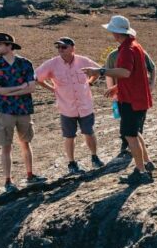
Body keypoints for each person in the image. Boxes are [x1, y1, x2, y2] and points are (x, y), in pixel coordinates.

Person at [83, 15, 153, 185]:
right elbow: (135, 75)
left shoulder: (126, 50)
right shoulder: (136, 46)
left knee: (130, 136)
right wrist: (116, 87)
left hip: (131, 100)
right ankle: (147, 163)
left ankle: (140, 171)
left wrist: (99, 71)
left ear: (116, 32)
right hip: (138, 97)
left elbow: (125, 72)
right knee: (135, 132)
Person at [0, 33, 47, 192]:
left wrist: (5, 91)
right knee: (6, 146)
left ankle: (30, 175)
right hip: (4, 110)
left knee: (25, 142)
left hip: (23, 109)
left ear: (9, 46)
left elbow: (32, 87)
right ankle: (8, 181)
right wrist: (20, 87)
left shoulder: (25, 63)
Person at [35, 37, 105, 175]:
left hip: (85, 105)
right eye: (58, 47)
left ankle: (94, 157)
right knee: (69, 136)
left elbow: (99, 71)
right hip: (66, 107)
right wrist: (52, 89)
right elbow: (37, 78)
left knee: (89, 132)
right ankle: (72, 163)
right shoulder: (51, 64)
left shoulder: (83, 61)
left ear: (73, 48)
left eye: (64, 47)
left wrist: (90, 83)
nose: (60, 50)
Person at [104, 46, 157, 156]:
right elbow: (109, 74)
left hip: (139, 94)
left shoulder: (140, 52)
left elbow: (152, 68)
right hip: (122, 94)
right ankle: (126, 144)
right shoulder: (113, 55)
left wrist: (151, 84)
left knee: (139, 121)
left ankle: (138, 150)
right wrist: (112, 91)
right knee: (125, 120)